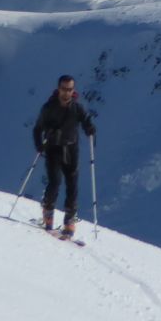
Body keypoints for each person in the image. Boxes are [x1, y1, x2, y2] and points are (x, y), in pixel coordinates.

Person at [33, 74, 97, 239]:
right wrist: (39, 145)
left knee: (72, 185)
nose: (66, 92)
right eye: (64, 89)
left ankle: (69, 221)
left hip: (71, 149)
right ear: (58, 88)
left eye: (69, 89)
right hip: (53, 148)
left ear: (73, 90)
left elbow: (86, 121)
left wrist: (90, 129)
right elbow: (37, 128)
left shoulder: (77, 108)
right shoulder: (49, 107)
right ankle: (48, 212)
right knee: (55, 182)